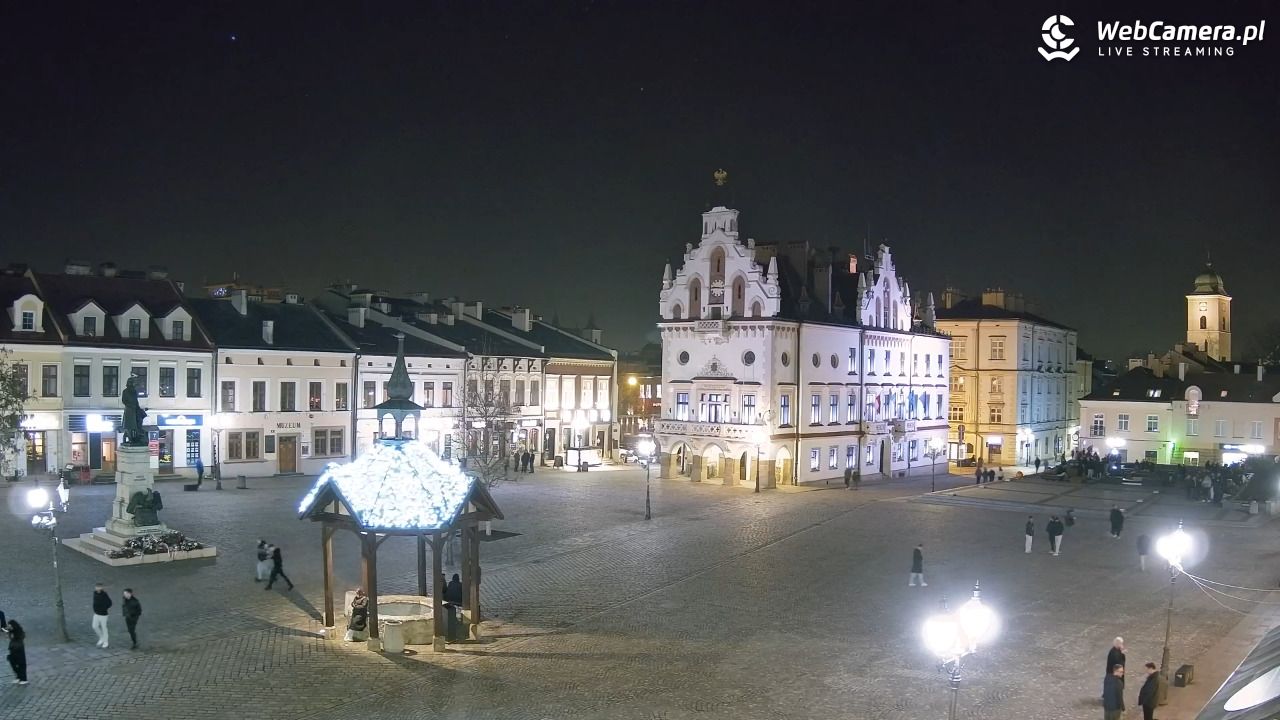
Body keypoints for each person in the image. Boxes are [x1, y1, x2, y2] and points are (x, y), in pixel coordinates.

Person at [5, 620, 26, 685]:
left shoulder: (19, 632)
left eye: (10, 625)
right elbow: (5, 631)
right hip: (12, 649)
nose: (9, 626)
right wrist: (8, 631)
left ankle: (23, 679)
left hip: (18, 649)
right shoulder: (11, 632)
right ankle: (18, 677)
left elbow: (19, 639)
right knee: (13, 663)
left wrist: (10, 633)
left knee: (20, 664)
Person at [92, 583, 112, 648]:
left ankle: (106, 642)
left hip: (103, 614)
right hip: (96, 613)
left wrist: (104, 608)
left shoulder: (104, 594)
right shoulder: (94, 593)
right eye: (96, 587)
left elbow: (110, 603)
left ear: (101, 588)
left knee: (104, 628)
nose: (97, 588)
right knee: (94, 626)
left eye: (99, 587)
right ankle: (101, 638)